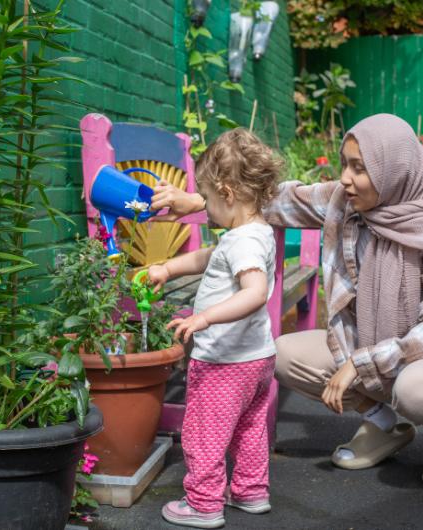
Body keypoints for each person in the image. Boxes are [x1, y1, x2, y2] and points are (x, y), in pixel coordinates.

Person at [151, 113, 423, 490]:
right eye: (344, 164)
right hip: (372, 349)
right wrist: (196, 201)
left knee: (416, 390)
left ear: (392, 171)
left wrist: (358, 362)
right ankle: (385, 425)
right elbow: (265, 199)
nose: (346, 177)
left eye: (359, 168)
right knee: (280, 354)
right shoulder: (345, 202)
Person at [148, 128, 281, 528]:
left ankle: (204, 503)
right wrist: (169, 267)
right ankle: (250, 490)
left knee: (205, 432)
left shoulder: (242, 243)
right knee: (249, 427)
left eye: (205, 196)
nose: (202, 206)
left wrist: (202, 318)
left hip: (224, 361)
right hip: (257, 358)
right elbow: (213, 256)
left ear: (226, 192)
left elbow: (255, 292)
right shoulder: (254, 231)